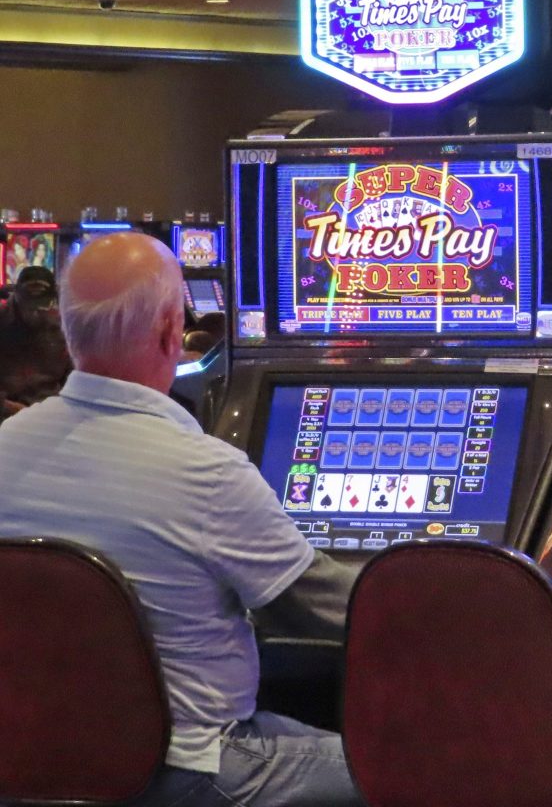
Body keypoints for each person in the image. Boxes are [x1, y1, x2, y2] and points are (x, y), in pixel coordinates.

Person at [0, 233, 362, 807]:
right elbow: (331, 608)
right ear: (173, 332)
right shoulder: (205, 472)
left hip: (30, 765)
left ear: (67, 332)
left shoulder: (5, 446)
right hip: (189, 771)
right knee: (438, 769)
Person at [0, 265, 72, 420]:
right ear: (16, 295)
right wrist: (9, 408)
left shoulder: (60, 328)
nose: (34, 312)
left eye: (41, 306)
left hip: (49, 416)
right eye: (28, 306)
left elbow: (72, 381)